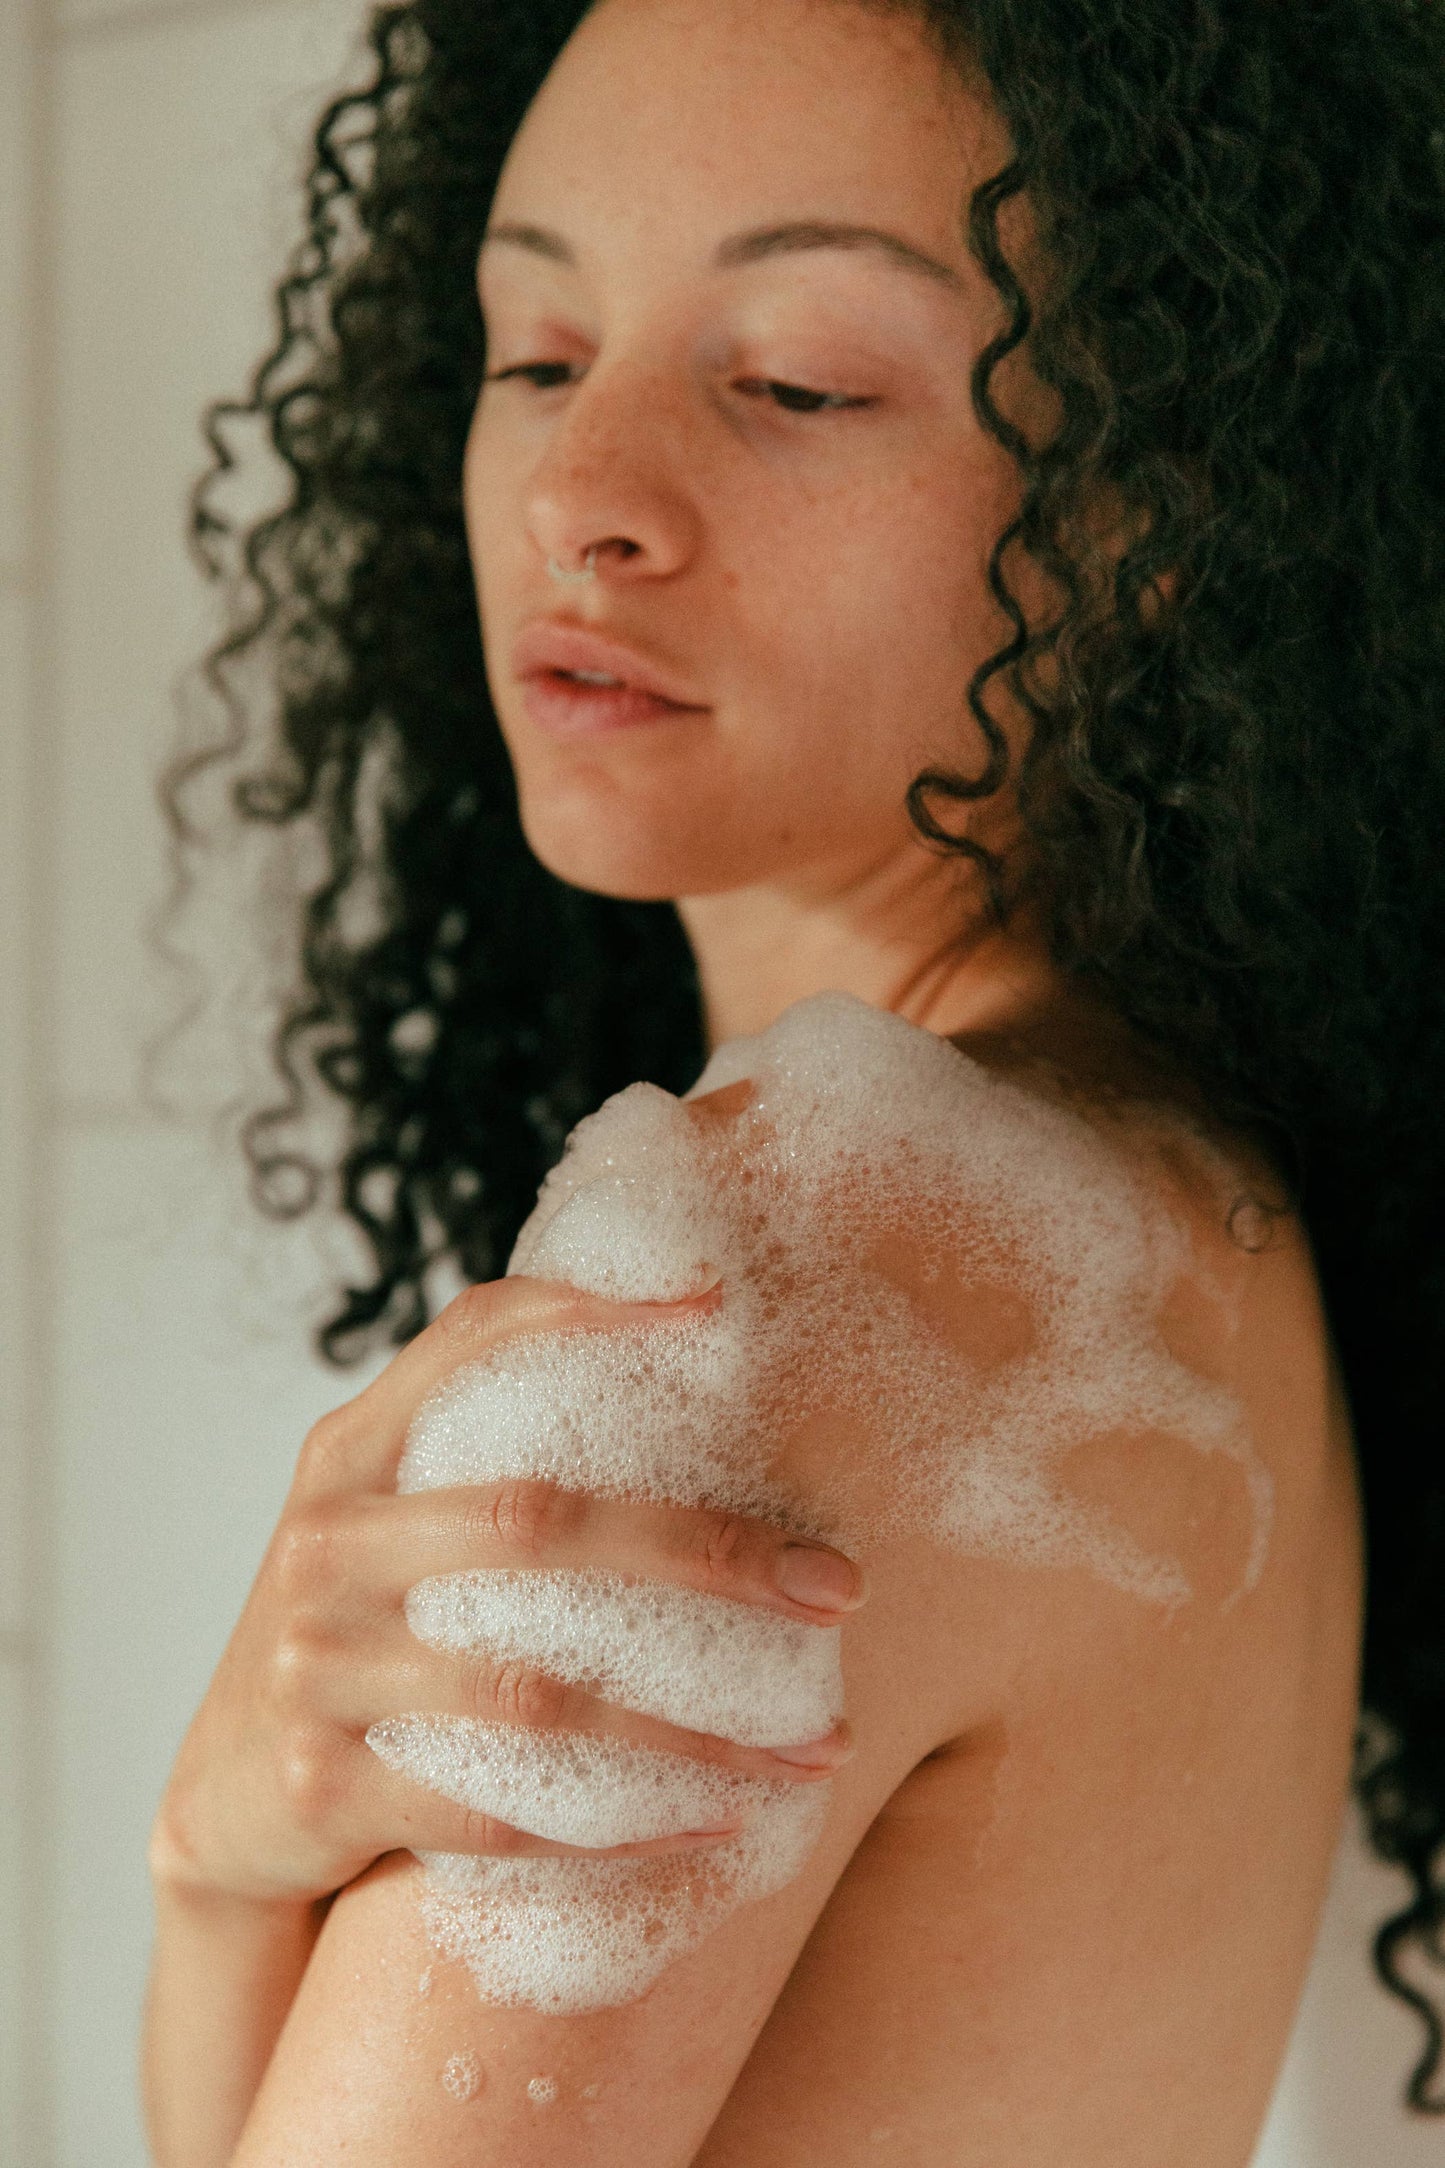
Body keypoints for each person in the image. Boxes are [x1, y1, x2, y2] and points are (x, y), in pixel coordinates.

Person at [142, 0, 1445, 2160]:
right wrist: (217, 1876)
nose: (583, 493)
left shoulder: (799, 1267)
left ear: (1163, 503)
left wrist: (207, 1873)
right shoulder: (1167, 1213)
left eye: (796, 383)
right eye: (536, 353)